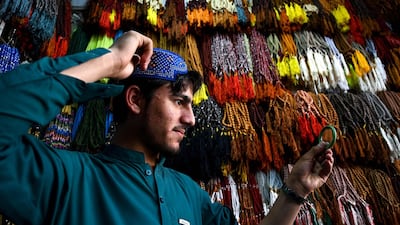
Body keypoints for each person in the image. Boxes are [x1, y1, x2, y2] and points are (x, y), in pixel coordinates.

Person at [0, 30, 334, 225]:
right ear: (135, 100)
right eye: (178, 101)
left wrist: (295, 191)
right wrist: (109, 62)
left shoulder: (189, 194)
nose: (191, 118)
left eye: (190, 104)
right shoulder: (68, 178)